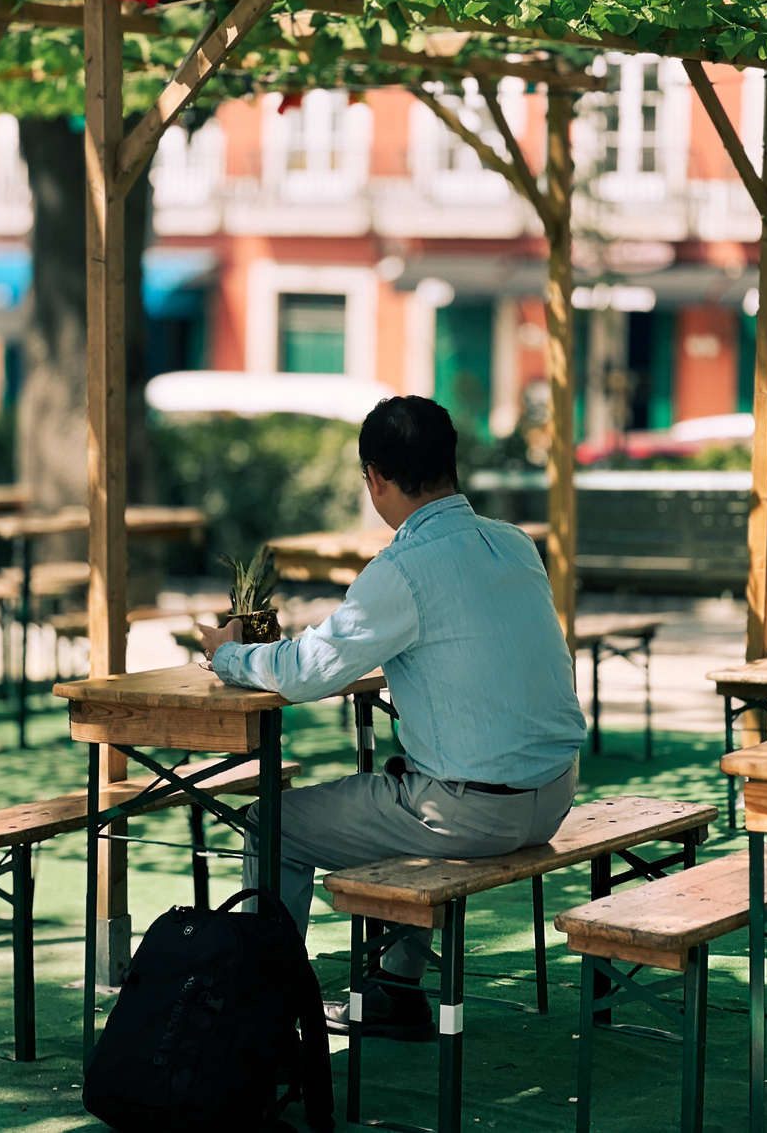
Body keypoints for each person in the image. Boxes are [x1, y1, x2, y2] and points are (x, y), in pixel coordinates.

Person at [198, 395, 586, 1041]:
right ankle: (392, 985)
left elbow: (303, 674)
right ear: (451, 464)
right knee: (407, 780)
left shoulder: (402, 568)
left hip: (471, 814)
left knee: (272, 821)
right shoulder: (514, 543)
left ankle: (264, 1007)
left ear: (375, 476)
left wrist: (229, 652)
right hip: (552, 795)